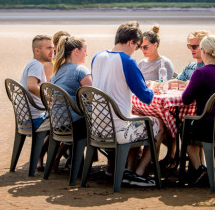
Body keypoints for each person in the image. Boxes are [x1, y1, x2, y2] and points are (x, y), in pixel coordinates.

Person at [91, 21, 164, 187]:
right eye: (137, 46)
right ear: (131, 42)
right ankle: (139, 173)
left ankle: (130, 169)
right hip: (118, 129)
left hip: (97, 126)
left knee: (136, 118)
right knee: (159, 125)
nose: (136, 50)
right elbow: (146, 97)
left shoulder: (98, 56)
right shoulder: (127, 61)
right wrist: (152, 86)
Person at [181, 34, 215, 186]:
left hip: (209, 126)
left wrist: (191, 86)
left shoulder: (201, 73)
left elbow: (186, 99)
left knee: (185, 131)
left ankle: (201, 169)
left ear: (203, 51)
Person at [50, 35, 92, 170]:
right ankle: (116, 166)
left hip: (58, 124)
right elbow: (95, 97)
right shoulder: (80, 70)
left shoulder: (56, 71)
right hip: (75, 126)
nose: (87, 54)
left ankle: (76, 164)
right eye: (85, 51)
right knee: (112, 124)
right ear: (76, 51)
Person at [139, 24, 177, 171]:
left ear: (155, 45)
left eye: (145, 47)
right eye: (140, 47)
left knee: (163, 121)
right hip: (145, 103)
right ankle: (141, 157)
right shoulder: (141, 63)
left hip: (158, 104)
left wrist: (153, 85)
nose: (142, 50)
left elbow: (165, 86)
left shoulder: (163, 62)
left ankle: (171, 154)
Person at [20, 34, 54, 170]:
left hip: (28, 117)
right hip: (36, 119)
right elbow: (32, 86)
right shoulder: (37, 66)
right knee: (67, 123)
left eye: (52, 48)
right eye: (48, 48)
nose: (52, 51)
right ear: (37, 51)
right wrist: (49, 100)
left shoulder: (32, 64)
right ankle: (57, 161)